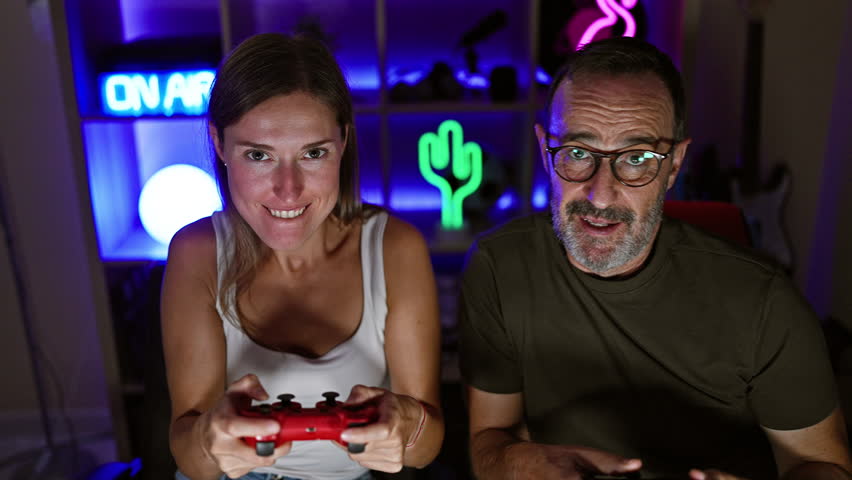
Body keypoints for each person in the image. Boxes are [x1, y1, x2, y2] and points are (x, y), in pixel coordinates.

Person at [458, 37, 852, 480]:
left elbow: (822, 467)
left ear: (675, 164)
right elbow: (487, 442)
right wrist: (523, 462)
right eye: (577, 153)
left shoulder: (765, 301)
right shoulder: (498, 266)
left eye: (637, 158)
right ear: (545, 152)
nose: (600, 194)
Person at [161, 33, 444, 480]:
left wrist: (406, 426)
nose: (288, 190)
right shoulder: (196, 252)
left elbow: (424, 448)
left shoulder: (396, 247)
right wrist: (207, 439)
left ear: (343, 141)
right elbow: (189, 454)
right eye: (258, 155)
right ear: (218, 144)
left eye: (313, 153)